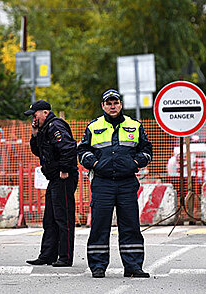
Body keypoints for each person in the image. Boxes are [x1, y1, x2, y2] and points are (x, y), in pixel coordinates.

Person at [78, 89, 153, 278]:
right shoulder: (94, 126)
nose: (112, 106)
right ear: (103, 106)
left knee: (130, 226)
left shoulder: (134, 125)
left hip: (127, 183)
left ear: (121, 104)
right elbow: (82, 152)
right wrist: (95, 163)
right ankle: (97, 266)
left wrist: (134, 163)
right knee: (99, 226)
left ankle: (133, 266)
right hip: (102, 183)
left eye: (115, 103)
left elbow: (146, 151)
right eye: (109, 103)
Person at [24, 100, 78, 267]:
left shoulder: (55, 126)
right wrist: (34, 134)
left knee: (63, 218)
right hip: (54, 178)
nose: (33, 118)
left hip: (63, 177)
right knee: (50, 219)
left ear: (45, 113)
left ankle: (65, 257)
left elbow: (69, 147)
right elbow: (37, 151)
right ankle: (47, 255)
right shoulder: (44, 128)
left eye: (35, 115)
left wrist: (64, 169)